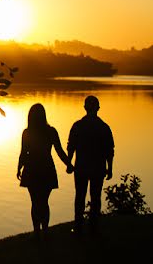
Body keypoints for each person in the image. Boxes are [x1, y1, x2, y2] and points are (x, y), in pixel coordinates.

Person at [17, 103, 71, 235]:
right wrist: (68, 164)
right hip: (47, 168)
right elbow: (59, 151)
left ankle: (37, 231)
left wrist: (19, 168)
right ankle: (45, 229)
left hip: (31, 169)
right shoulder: (51, 131)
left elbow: (23, 153)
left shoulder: (27, 132)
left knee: (35, 202)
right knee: (44, 202)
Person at [67, 94, 114, 232]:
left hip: (81, 167)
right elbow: (109, 151)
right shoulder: (104, 127)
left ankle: (78, 225)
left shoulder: (77, 126)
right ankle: (93, 226)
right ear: (98, 108)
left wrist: (69, 164)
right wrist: (109, 168)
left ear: (85, 108)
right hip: (98, 168)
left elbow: (71, 147)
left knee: (80, 196)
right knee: (96, 197)